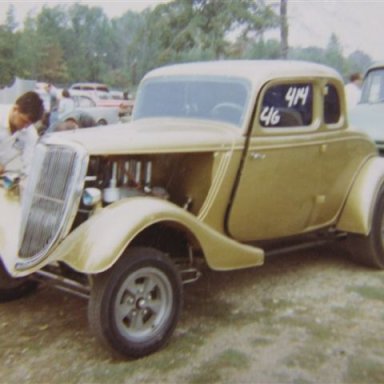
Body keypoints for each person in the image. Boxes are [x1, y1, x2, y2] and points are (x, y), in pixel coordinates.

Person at [0, 91, 44, 177]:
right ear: (15, 109)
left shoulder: (31, 134)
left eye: (29, 124)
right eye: (23, 121)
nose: (25, 127)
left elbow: (29, 162)